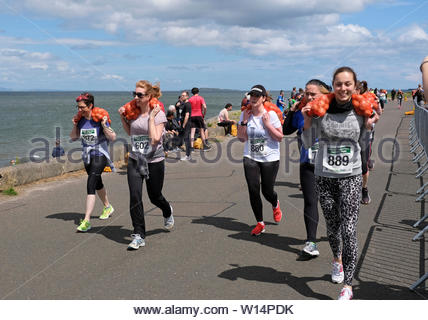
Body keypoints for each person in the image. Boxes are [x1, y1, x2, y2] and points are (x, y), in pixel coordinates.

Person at [301, 66, 378, 300]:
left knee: (349, 229)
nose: (343, 88)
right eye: (338, 84)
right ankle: (337, 260)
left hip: (351, 175)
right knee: (333, 228)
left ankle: (348, 285)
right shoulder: (321, 109)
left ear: (355, 86)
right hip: (324, 176)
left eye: (347, 84)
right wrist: (306, 120)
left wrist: (368, 127)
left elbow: (363, 144)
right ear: (333, 86)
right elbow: (307, 143)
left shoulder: (361, 110)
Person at [118, 80, 174, 250]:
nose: (136, 97)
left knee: (154, 196)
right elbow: (131, 133)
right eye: (134, 94)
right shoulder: (133, 113)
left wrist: (150, 118)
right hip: (135, 159)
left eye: (140, 95)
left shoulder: (158, 114)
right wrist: (123, 117)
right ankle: (139, 234)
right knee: (135, 196)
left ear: (149, 96)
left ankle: (167, 210)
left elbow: (155, 139)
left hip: (154, 161)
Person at [283, 79, 331, 257]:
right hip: (308, 163)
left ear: (323, 94)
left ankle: (338, 233)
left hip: (331, 165)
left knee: (332, 204)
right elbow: (286, 130)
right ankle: (311, 242)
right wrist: (293, 112)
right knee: (310, 201)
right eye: (306, 93)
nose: (308, 97)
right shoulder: (302, 111)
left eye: (313, 94)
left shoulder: (332, 110)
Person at [237, 84, 284, 236]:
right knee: (253, 188)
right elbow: (242, 138)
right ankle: (260, 223)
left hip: (270, 157)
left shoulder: (271, 115)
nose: (254, 99)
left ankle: (275, 203)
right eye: (252, 96)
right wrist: (244, 121)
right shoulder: (245, 115)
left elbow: (279, 137)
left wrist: (268, 125)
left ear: (263, 98)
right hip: (251, 156)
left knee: (267, 190)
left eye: (257, 96)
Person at [70, 92, 116, 232]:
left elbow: (113, 137)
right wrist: (75, 125)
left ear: (90, 106)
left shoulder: (99, 118)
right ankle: (108, 206)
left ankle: (86, 220)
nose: (79, 110)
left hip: (100, 154)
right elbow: (73, 138)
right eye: (78, 107)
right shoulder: (81, 120)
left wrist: (104, 125)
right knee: (97, 182)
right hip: (87, 156)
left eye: (82, 107)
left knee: (91, 183)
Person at [179, 91, 192, 161]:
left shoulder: (188, 104)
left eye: (183, 96)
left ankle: (188, 155)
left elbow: (187, 115)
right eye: (181, 95)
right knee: (185, 138)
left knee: (186, 139)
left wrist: (184, 124)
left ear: (187, 96)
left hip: (187, 124)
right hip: (183, 123)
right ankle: (188, 154)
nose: (182, 97)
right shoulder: (184, 104)